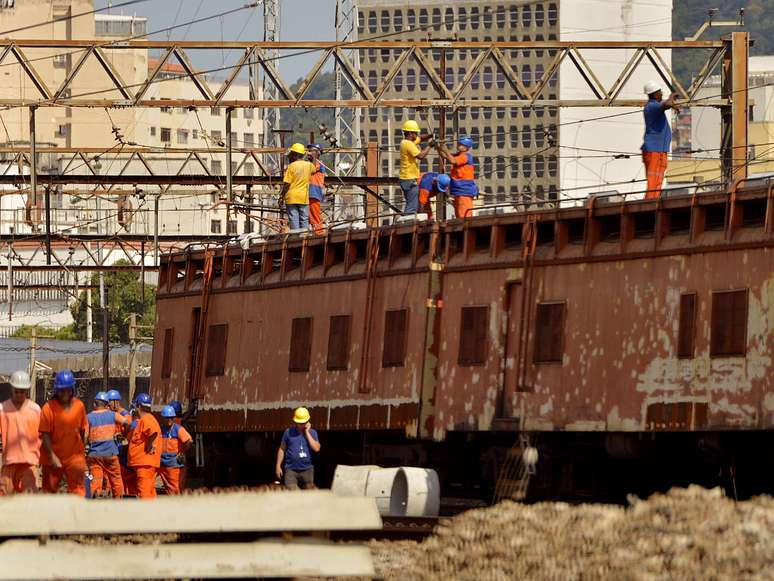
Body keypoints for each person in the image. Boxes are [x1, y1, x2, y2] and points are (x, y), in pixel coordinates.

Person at [39, 369, 88, 496]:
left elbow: (83, 431)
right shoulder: (48, 408)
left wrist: (81, 454)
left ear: (72, 389)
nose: (65, 393)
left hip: (74, 458)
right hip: (52, 457)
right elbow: (45, 435)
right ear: (57, 390)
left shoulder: (79, 406)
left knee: (77, 492)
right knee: (50, 492)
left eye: (68, 390)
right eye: (62, 390)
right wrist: (52, 456)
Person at [0, 370, 41, 495]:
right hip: (9, 462)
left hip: (30, 462)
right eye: (16, 391)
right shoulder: (2, 409)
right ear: (11, 389)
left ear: (27, 391)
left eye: (22, 391)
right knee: (4, 500)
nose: (19, 394)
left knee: (30, 500)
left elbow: (42, 436)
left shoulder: (35, 410)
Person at [85, 391, 129, 498]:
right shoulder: (113, 415)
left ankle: (93, 500)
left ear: (95, 404)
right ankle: (118, 501)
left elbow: (85, 435)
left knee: (95, 479)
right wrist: (123, 434)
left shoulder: (88, 417)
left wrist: (85, 447)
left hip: (94, 455)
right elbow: (127, 423)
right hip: (111, 453)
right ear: (107, 404)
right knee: (116, 479)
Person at [641, 81, 680, 199]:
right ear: (654, 94)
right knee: (654, 179)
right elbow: (666, 105)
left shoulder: (654, 106)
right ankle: (650, 202)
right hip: (654, 150)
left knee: (658, 178)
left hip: (659, 149)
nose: (661, 94)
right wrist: (671, 97)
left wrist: (672, 103)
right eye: (660, 92)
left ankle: (654, 199)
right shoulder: (652, 106)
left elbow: (666, 105)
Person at [275, 407, 321, 490]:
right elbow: (282, 449)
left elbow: (316, 448)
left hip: (307, 469)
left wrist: (307, 432)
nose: (302, 425)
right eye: (299, 423)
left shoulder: (312, 433)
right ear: (295, 422)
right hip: (291, 470)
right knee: (292, 493)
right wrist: (278, 466)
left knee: (308, 494)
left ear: (307, 421)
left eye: (304, 422)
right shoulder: (288, 432)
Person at [127, 392, 161, 499]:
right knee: (149, 492)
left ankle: (145, 514)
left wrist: (149, 444)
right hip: (145, 464)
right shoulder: (145, 420)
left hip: (145, 465)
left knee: (144, 493)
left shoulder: (147, 419)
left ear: (138, 406)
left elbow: (153, 432)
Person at [437, 136, 478, 219]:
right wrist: (438, 147)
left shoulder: (466, 156)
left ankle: (465, 230)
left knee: (464, 216)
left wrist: (444, 149)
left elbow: (452, 160)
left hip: (464, 190)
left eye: (462, 145)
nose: (459, 146)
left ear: (467, 147)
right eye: (459, 144)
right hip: (458, 190)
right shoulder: (458, 155)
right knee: (459, 214)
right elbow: (444, 156)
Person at [399, 120, 433, 214]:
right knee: (412, 206)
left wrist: (430, 135)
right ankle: (407, 225)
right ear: (410, 133)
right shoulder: (408, 144)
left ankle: (408, 223)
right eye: (415, 133)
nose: (417, 135)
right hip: (409, 179)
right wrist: (430, 146)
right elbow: (421, 156)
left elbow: (421, 138)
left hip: (406, 178)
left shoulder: (409, 142)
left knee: (412, 202)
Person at [280, 143, 316, 231]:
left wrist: (282, 196)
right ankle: (304, 238)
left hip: (291, 197)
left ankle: (295, 238)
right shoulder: (309, 165)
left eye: (291, 154)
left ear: (295, 155)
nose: (290, 156)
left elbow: (287, 184)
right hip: (303, 197)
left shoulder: (291, 166)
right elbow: (314, 169)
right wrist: (313, 157)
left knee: (294, 219)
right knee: (304, 219)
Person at [158, 405, 192, 495]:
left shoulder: (178, 429)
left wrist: (182, 452)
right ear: (163, 418)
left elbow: (189, 441)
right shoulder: (160, 429)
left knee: (174, 488)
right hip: (160, 463)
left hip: (173, 464)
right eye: (167, 418)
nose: (169, 420)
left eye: (171, 418)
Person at [307, 144, 327, 235]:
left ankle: (319, 233)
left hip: (314, 192)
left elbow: (313, 169)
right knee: (310, 216)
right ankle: (316, 231)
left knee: (314, 215)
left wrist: (314, 157)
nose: (308, 153)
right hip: (309, 193)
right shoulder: (309, 164)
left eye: (311, 151)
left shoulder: (319, 164)